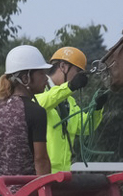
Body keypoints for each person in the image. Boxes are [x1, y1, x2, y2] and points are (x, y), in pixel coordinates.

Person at [34, 46, 105, 174]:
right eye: (78, 71)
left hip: (63, 174)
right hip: (42, 173)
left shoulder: (69, 101)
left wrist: (97, 108)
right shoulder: (39, 91)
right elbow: (40, 104)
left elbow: (84, 128)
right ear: (63, 67)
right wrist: (69, 87)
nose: (79, 76)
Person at [0, 45, 51, 178]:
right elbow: (41, 160)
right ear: (25, 78)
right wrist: (46, 187)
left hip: (4, 188)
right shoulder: (36, 111)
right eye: (41, 73)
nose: (46, 78)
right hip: (29, 188)